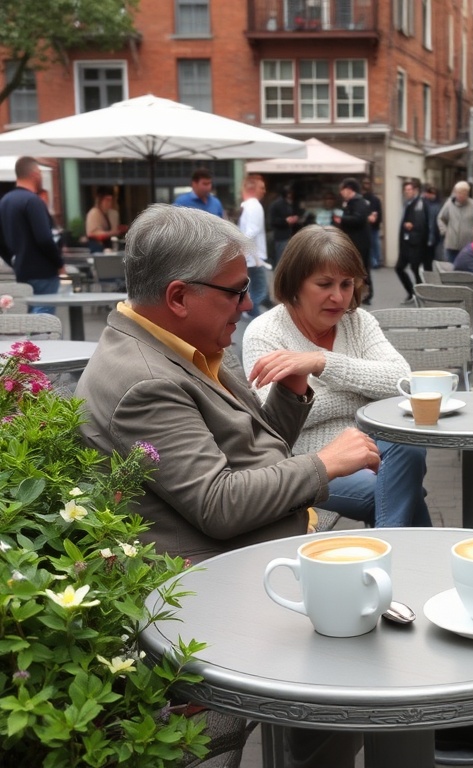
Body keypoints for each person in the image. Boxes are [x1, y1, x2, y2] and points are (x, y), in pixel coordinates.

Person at [74, 204, 381, 564]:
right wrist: (325, 463)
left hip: (264, 546)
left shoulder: (180, 344)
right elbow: (218, 505)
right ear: (178, 298)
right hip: (231, 571)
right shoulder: (145, 383)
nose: (248, 304)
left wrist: (291, 390)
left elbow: (252, 444)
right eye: (236, 291)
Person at [242, 225, 431, 528]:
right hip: (308, 461)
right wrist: (363, 395)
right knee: (401, 492)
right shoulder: (265, 333)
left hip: (375, 450)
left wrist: (321, 362)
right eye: (324, 284)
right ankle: (402, 553)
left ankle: (394, 552)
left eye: (346, 284)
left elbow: (402, 381)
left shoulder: (358, 322)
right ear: (294, 283)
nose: (338, 297)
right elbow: (274, 423)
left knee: (408, 447)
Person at [0, 156, 65, 313]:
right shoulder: (33, 201)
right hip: (43, 271)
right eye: (40, 173)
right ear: (35, 173)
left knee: (30, 317)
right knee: (44, 317)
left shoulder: (5, 202)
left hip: (22, 271)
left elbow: (1, 242)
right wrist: (59, 264)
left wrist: (14, 262)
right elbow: (44, 239)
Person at [334, 177, 374, 305]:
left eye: (342, 189)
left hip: (360, 242)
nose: (341, 192)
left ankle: (366, 293)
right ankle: (357, 293)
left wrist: (342, 219)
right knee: (355, 268)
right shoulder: (350, 202)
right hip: (353, 241)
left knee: (362, 268)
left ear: (349, 189)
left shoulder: (359, 202)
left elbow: (359, 219)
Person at [237, 174, 271, 316]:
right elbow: (252, 230)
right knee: (260, 291)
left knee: (253, 288)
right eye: (261, 188)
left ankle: (249, 311)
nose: (264, 191)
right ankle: (254, 316)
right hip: (254, 257)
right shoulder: (255, 205)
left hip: (249, 256)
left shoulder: (246, 206)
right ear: (252, 189)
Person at [396, 179, 429, 305]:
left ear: (415, 190)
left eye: (409, 190)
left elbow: (422, 223)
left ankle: (421, 296)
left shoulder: (419, 203)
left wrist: (413, 226)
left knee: (415, 269)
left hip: (415, 243)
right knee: (399, 268)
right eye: (406, 190)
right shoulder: (407, 203)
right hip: (406, 243)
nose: (407, 192)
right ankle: (412, 292)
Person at [437, 180, 473, 262]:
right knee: (451, 267)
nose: (461, 195)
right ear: (455, 192)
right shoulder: (449, 204)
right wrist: (444, 231)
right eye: (459, 192)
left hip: (468, 245)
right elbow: (441, 218)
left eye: (464, 193)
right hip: (451, 245)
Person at [268, 183, 302, 267]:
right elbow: (272, 221)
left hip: (293, 236)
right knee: (281, 260)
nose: (290, 195)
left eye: (291, 192)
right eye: (288, 192)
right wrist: (285, 221)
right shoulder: (277, 204)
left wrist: (295, 218)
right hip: (281, 237)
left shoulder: (293, 203)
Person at [85, 187, 127, 253]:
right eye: (107, 200)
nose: (109, 203)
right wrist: (113, 232)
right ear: (100, 200)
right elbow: (92, 234)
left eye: (111, 200)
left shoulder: (110, 213)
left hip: (108, 246)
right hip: (97, 248)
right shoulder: (93, 213)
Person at [361, 177, 383, 269]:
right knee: (369, 245)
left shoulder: (375, 199)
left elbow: (378, 213)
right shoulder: (362, 198)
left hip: (374, 227)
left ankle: (375, 261)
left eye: (368, 183)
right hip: (365, 226)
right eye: (365, 183)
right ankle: (371, 261)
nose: (366, 185)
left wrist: (376, 221)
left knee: (374, 244)